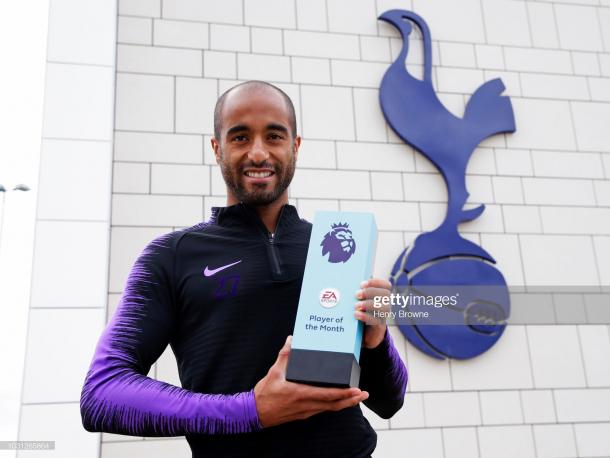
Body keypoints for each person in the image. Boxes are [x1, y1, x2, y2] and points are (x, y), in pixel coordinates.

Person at [80, 80, 408, 457]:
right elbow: (101, 394)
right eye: (239, 137)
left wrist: (377, 341)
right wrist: (251, 411)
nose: (258, 153)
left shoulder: (337, 246)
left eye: (274, 136)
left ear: (295, 146)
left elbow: (390, 401)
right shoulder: (169, 256)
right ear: (216, 148)